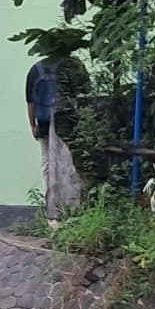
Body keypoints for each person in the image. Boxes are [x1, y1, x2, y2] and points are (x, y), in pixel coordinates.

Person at [26, 52, 90, 220]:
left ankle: (51, 206)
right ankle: (73, 206)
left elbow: (30, 101)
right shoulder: (74, 67)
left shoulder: (36, 69)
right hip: (70, 123)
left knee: (47, 164)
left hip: (44, 122)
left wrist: (33, 125)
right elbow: (86, 96)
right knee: (71, 164)